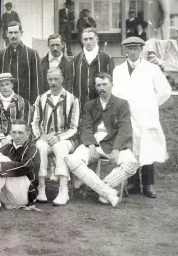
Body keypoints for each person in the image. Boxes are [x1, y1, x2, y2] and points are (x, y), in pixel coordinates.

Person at [65, 73, 138, 207]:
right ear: (95, 87)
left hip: (113, 141)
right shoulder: (90, 105)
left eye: (104, 84)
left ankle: (101, 189)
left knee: (132, 163)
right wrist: (91, 146)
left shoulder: (122, 104)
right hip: (93, 141)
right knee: (71, 159)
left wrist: (116, 149)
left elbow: (125, 129)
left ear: (111, 85)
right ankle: (108, 192)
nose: (101, 88)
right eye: (98, 85)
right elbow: (86, 128)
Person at [112, 37, 171, 198]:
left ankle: (148, 184)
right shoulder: (118, 71)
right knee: (130, 149)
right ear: (125, 50)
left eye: (135, 48)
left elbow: (165, 91)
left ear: (141, 50)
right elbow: (115, 93)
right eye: (129, 49)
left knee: (147, 149)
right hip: (127, 116)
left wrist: (151, 104)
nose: (132, 52)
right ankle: (133, 183)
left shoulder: (151, 69)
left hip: (146, 116)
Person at [31, 68, 80, 206]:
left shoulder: (72, 99)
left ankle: (63, 189)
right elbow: (35, 122)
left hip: (65, 139)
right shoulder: (41, 98)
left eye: (56, 79)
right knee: (40, 146)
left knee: (60, 147)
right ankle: (41, 187)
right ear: (47, 80)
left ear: (62, 79)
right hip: (46, 138)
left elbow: (74, 127)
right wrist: (42, 136)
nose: (53, 82)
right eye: (50, 79)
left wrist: (59, 137)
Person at [0, 21, 43, 109]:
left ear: (21, 33)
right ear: (7, 34)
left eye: (16, 32)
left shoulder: (31, 54)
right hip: (5, 104)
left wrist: (35, 104)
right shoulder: (0, 55)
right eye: (11, 33)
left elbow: (37, 81)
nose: (13, 36)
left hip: (26, 103)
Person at [72, 28, 115, 112]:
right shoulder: (75, 60)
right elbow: (70, 84)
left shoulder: (107, 59)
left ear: (97, 39)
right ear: (82, 41)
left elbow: (112, 83)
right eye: (85, 39)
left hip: (102, 106)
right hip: (81, 107)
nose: (88, 42)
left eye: (91, 38)